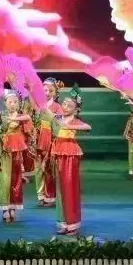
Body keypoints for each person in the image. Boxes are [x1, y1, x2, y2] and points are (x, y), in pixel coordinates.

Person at [51, 86, 91, 235]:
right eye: (64, 104)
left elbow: (88, 126)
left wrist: (68, 126)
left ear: (75, 110)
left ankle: (72, 223)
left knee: (70, 187)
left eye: (69, 106)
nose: (65, 107)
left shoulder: (74, 120)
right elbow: (43, 111)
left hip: (70, 155)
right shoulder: (57, 118)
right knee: (60, 189)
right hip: (58, 153)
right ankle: (63, 222)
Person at [0, 91, 32, 223]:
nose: (12, 104)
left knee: (16, 177)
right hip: (5, 149)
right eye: (10, 102)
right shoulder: (1, 115)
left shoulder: (21, 116)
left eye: (15, 102)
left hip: (17, 148)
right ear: (5, 103)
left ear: (19, 104)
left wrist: (13, 119)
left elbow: (28, 118)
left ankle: (13, 205)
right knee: (5, 177)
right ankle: (4, 207)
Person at [35, 78, 63, 207]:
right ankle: (40, 195)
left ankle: (50, 196)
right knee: (38, 168)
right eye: (45, 90)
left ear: (55, 93)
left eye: (50, 91)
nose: (47, 93)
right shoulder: (36, 105)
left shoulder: (57, 107)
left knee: (49, 168)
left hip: (50, 138)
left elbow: (59, 124)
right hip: (38, 137)